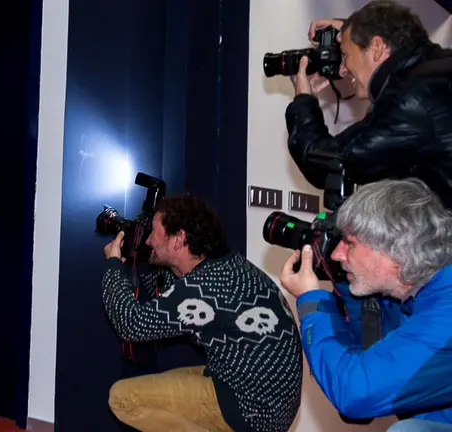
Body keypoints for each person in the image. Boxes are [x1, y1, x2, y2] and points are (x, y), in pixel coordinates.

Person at [102, 194, 303, 432]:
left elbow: (131, 324)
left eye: (154, 233)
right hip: (262, 397)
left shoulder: (201, 287)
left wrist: (113, 265)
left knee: (123, 398)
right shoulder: (225, 266)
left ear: (178, 240)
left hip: (251, 410)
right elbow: (169, 298)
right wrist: (145, 260)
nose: (148, 241)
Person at [280, 178, 452, 429]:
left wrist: (310, 302)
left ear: (397, 251)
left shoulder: (445, 313)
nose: (337, 254)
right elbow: (359, 360)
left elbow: (354, 394)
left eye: (349, 243)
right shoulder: (406, 293)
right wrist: (345, 291)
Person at [285, 0, 452, 208]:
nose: (343, 70)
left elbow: (331, 163)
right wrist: (353, 29)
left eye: (345, 55)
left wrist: (304, 101)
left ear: (377, 48)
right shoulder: (435, 69)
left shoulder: (408, 100)